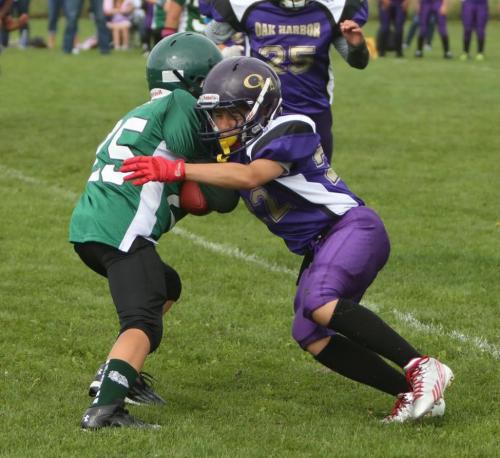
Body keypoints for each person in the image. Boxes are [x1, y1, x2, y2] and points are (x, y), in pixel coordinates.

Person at [121, 56, 455, 422]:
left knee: (319, 300)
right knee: (309, 332)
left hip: (351, 228)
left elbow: (252, 175)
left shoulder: (290, 126)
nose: (223, 124)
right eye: (218, 116)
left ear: (261, 107)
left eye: (232, 114)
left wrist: (177, 168)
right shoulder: (234, 150)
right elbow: (225, 185)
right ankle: (410, 395)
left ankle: (422, 365)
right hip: (319, 246)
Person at [69, 32, 239, 430]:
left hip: (92, 226)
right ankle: (105, 407)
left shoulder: (143, 111)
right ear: (196, 81)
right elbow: (219, 194)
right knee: (143, 320)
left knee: (166, 286)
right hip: (121, 228)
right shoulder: (182, 104)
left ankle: (120, 371)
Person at [201, 0, 370, 163]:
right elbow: (203, 42)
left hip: (313, 110)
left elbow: (358, 62)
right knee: (260, 184)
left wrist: (357, 45)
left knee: (314, 181)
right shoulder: (248, 6)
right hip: (261, 111)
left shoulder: (330, 8)